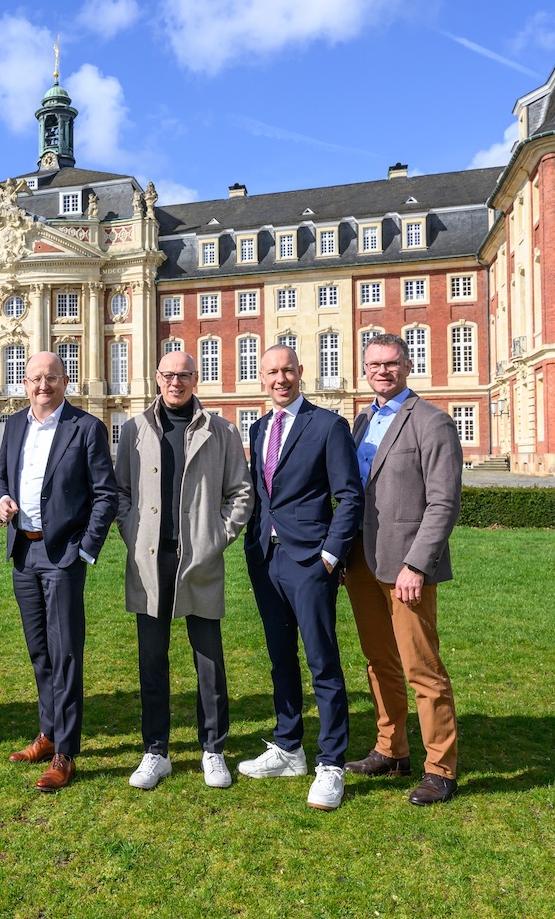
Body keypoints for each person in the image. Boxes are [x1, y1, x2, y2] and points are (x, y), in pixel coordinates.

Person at [113, 350, 253, 791]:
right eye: (169, 375)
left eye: (185, 375)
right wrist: (133, 531)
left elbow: (241, 493)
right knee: (152, 661)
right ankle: (156, 751)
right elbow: (119, 492)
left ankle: (213, 750)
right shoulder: (134, 430)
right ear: (156, 378)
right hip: (150, 560)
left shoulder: (222, 431)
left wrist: (216, 538)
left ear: (196, 379)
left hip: (199, 560)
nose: (176, 382)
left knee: (208, 660)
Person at [238, 345, 364, 810]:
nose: (280, 379)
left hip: (311, 560)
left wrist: (331, 555)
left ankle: (331, 762)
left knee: (322, 662)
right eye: (271, 372)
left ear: (300, 372)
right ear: (262, 377)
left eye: (287, 370)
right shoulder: (258, 426)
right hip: (266, 559)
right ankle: (288, 746)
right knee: (279, 658)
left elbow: (350, 496)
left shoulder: (328, 425)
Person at [0, 351, 118, 791]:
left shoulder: (85, 427)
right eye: (34, 379)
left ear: (66, 381)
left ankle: (66, 751)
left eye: (51, 378)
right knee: (39, 650)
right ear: (23, 384)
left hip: (63, 554)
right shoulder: (14, 425)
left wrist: (85, 550)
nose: (42, 386)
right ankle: (47, 734)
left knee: (65, 653)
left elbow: (106, 494)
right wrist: (1, 499)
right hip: (23, 554)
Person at [344, 333, 462, 805]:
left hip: (406, 566)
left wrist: (418, 563)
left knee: (422, 667)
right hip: (361, 562)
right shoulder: (362, 420)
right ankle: (392, 749)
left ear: (407, 365)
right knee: (379, 662)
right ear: (365, 369)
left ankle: (441, 768)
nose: (382, 371)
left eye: (391, 363)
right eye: (374, 364)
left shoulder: (431, 422)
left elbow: (444, 501)